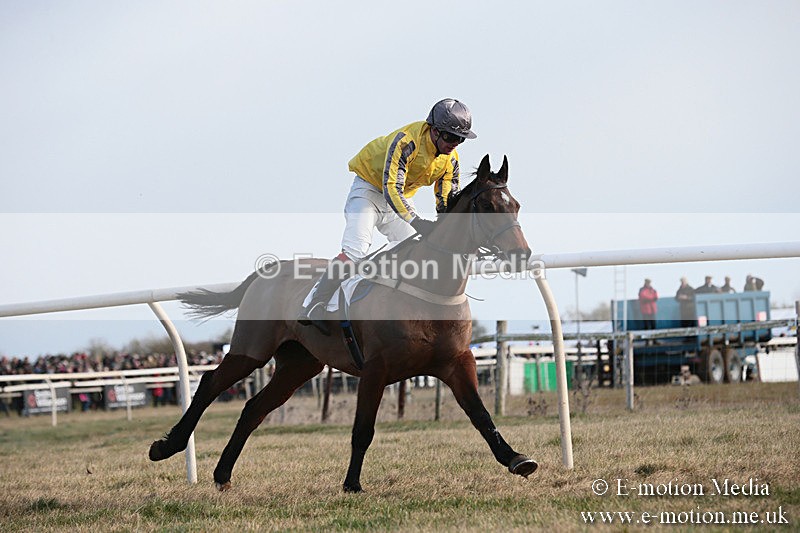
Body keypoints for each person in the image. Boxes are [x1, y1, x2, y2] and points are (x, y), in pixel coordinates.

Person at [298, 98, 476, 334]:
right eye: (451, 137)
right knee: (355, 251)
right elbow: (390, 186)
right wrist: (417, 221)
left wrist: (444, 228)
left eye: (461, 139)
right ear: (434, 131)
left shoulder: (450, 159)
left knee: (415, 248)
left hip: (398, 198)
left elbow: (444, 199)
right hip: (369, 190)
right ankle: (314, 303)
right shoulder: (407, 142)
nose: (455, 144)